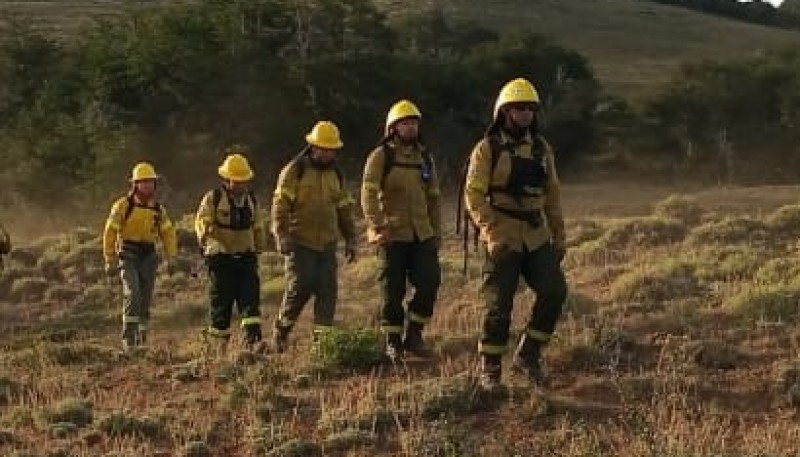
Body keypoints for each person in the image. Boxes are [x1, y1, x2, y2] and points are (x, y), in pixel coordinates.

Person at [464, 77, 568, 390]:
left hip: (536, 235)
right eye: (519, 108)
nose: (526, 114)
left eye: (530, 109)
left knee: (554, 292)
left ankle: (529, 355)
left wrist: (559, 235)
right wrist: (490, 229)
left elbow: (552, 195)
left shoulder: (541, 148)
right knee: (498, 305)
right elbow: (474, 193)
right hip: (502, 235)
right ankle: (491, 369)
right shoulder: (487, 149)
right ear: (505, 112)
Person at [361, 100, 442, 361]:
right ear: (393, 127)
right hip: (392, 235)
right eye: (405, 123)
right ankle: (393, 342)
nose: (411, 127)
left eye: (414, 123)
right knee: (392, 290)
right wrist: (378, 225)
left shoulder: (425, 157)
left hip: (422, 233)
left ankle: (415, 336)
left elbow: (434, 197)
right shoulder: (381, 156)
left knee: (429, 283)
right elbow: (368, 193)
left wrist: (436, 231)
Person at [271, 121, 357, 352]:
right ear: (313, 146)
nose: (328, 153)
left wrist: (350, 238)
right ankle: (282, 330)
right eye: (323, 148)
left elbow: (344, 208)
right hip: (300, 241)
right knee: (301, 286)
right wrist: (282, 234)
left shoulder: (336, 174)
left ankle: (322, 344)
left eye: (332, 149)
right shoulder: (295, 170)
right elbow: (280, 206)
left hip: (327, 243)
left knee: (328, 291)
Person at [195, 152, 267, 352]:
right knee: (221, 304)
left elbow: (258, 225)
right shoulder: (213, 198)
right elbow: (202, 222)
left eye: (243, 180)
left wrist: (259, 248)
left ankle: (253, 345)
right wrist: (209, 242)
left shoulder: (251, 200)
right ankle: (218, 349)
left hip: (246, 258)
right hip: (221, 261)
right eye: (236, 180)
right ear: (227, 179)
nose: (240, 185)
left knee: (250, 302)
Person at [102, 162, 177, 351]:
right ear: (135, 185)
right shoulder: (122, 206)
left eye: (150, 183)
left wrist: (172, 257)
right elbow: (110, 232)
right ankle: (129, 339)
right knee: (132, 294)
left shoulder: (158, 209)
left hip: (149, 256)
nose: (148, 186)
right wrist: (109, 259)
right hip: (128, 254)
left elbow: (168, 233)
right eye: (143, 183)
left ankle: (142, 337)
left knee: (144, 298)